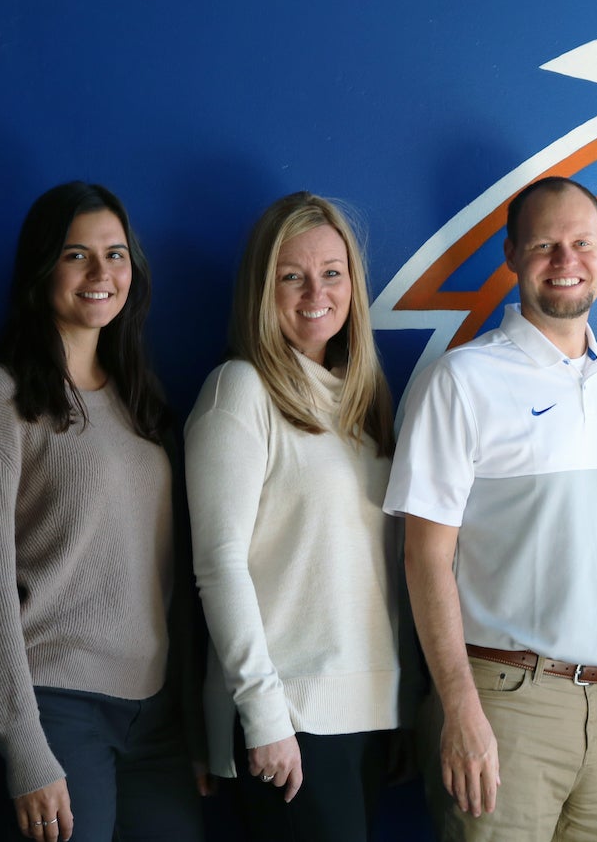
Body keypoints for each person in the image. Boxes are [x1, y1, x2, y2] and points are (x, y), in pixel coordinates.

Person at [386, 176, 597, 841]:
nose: (564, 260)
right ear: (512, 255)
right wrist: (458, 705)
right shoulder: (460, 379)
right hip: (502, 702)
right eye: (544, 244)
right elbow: (424, 555)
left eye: (579, 243)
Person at [0, 182, 205, 842]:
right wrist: (23, 743)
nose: (100, 273)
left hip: (154, 720)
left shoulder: (140, 403)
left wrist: (192, 722)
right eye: (76, 254)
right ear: (40, 268)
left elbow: (165, 581)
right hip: (51, 709)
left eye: (115, 253)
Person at [185, 191, 414, 840]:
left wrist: (400, 706)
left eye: (332, 272)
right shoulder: (240, 389)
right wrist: (264, 716)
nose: (317, 290)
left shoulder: (364, 407)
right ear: (264, 287)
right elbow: (217, 564)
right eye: (293, 275)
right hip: (291, 716)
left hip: (366, 715)